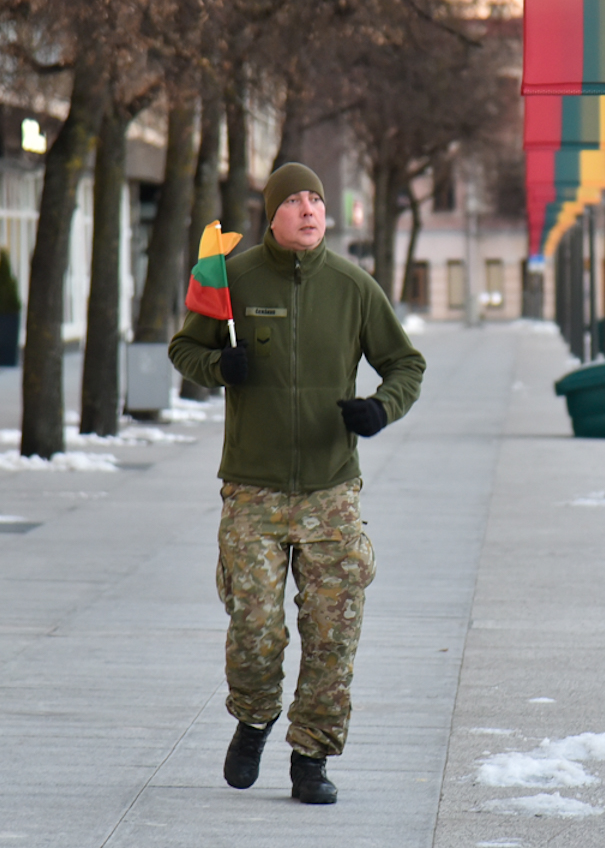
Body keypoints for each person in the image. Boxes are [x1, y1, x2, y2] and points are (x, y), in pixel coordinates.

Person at [168, 162, 425, 805]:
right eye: (295, 201)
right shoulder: (234, 278)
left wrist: (381, 408)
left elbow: (405, 363)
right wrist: (219, 366)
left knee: (333, 633)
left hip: (331, 490)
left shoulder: (353, 286)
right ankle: (254, 717)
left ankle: (312, 755)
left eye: (317, 199)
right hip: (251, 491)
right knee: (255, 626)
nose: (309, 209)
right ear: (272, 213)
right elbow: (184, 349)